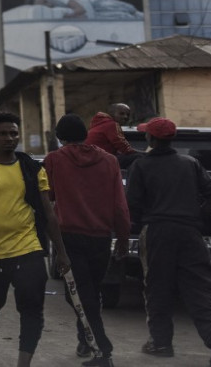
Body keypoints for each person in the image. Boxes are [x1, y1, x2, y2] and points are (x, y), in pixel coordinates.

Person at [0, 112, 70, 367]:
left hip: (27, 249)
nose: (10, 138)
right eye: (3, 134)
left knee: (31, 310)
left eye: (14, 133)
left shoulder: (31, 168)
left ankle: (23, 363)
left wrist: (61, 252)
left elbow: (48, 214)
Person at [125, 117, 211, 367]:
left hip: (158, 233)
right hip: (190, 233)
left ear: (150, 139)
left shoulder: (141, 166)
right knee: (201, 289)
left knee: (157, 289)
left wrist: (138, 226)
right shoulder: (190, 163)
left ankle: (161, 343)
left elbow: (133, 206)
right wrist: (196, 215)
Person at [42, 114, 130, 367]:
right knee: (89, 291)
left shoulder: (54, 160)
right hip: (101, 238)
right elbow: (120, 206)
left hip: (69, 238)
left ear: (60, 137)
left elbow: (47, 198)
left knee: (79, 294)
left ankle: (103, 349)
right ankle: (86, 339)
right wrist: (122, 239)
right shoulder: (110, 160)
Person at [25, 0, 143, 20]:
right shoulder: (50, 18)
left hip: (93, 4)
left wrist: (64, 16)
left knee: (129, 8)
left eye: (45, 0)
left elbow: (80, 9)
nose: (48, 3)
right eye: (44, 5)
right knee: (128, 18)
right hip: (96, 18)